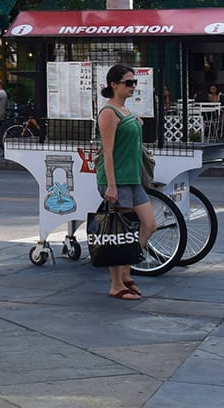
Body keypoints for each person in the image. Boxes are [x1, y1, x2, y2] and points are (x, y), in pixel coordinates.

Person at [96, 63, 157, 301]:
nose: (133, 86)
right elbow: (108, 152)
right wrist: (111, 185)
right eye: (128, 82)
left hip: (132, 178)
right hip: (117, 179)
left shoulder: (125, 111)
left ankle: (126, 270)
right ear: (114, 85)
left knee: (148, 225)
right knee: (119, 233)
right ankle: (116, 284)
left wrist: (136, 123)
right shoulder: (109, 112)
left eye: (134, 82)